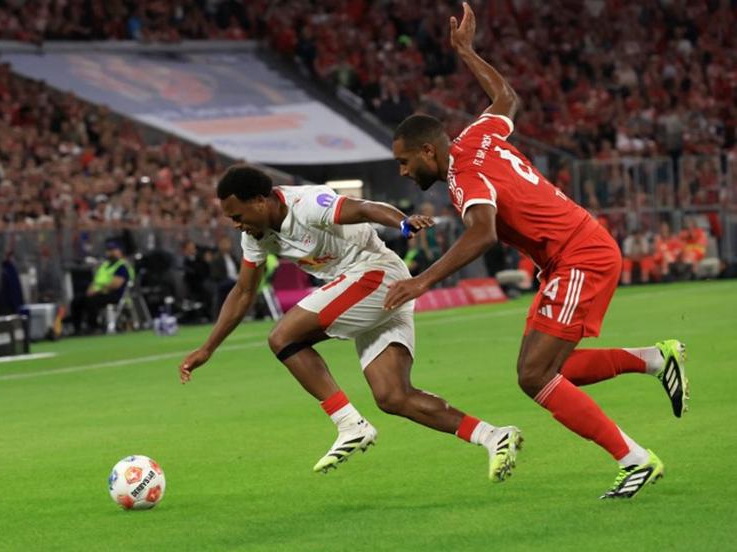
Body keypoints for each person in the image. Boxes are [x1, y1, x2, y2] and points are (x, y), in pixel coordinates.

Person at [385, 3, 687, 499]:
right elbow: (506, 96)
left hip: (578, 257)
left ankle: (635, 459)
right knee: (551, 370)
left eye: (403, 162)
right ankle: (655, 360)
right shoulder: (478, 135)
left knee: (533, 375)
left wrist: (422, 281)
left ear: (428, 152)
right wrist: (466, 51)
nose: (401, 171)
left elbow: (481, 234)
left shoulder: (464, 177)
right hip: (572, 254)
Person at [180, 165, 523, 481]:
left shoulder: (307, 203)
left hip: (374, 273)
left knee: (283, 336)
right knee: (393, 396)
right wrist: (208, 348)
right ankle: (494, 436)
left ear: (260, 200)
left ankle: (349, 424)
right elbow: (243, 291)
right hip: (365, 287)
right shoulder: (255, 236)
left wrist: (402, 223)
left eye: (238, 216)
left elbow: (362, 208)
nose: (236, 225)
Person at [70, 239, 134, 334]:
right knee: (77, 300)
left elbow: (116, 284)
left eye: (113, 250)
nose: (111, 252)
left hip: (114, 294)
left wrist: (97, 291)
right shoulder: (104, 266)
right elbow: (95, 281)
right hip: (100, 292)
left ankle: (93, 327)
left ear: (119, 251)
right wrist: (90, 290)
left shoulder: (122, 266)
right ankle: (77, 328)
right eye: (109, 250)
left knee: (92, 301)